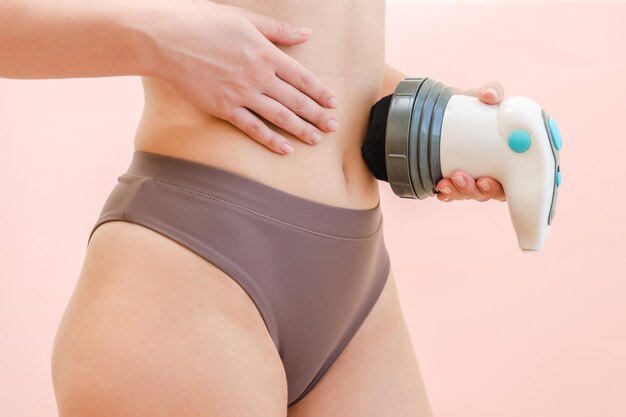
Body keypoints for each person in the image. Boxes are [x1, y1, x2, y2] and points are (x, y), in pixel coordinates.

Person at [2, 0, 506, 415]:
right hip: (192, 267)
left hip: (359, 288)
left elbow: (320, 39)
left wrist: (434, 119)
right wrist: (157, 37)